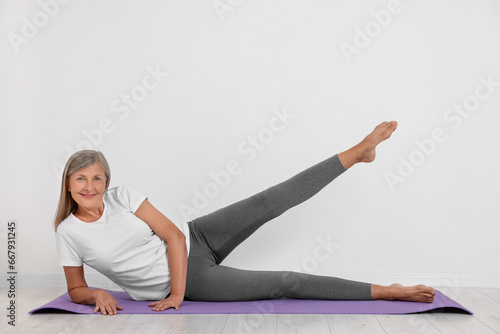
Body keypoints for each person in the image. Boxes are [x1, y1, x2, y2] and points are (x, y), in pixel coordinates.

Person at [54, 121, 436, 316]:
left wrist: (174, 295)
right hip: (193, 280)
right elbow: (76, 290)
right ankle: (387, 290)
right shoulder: (69, 233)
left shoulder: (122, 197)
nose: (90, 186)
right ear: (69, 185)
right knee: (287, 282)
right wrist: (98, 293)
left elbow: (172, 236)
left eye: (97, 178)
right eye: (81, 179)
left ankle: (357, 153)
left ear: (107, 181)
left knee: (269, 200)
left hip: (194, 238)